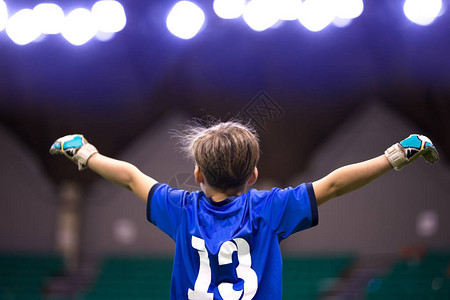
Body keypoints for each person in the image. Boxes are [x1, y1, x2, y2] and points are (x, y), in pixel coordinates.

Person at [49, 121, 439, 300]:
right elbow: (335, 184)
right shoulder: (271, 208)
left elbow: (132, 177)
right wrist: (398, 154)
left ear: (198, 174)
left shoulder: (181, 209)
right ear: (254, 175)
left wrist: (85, 152)